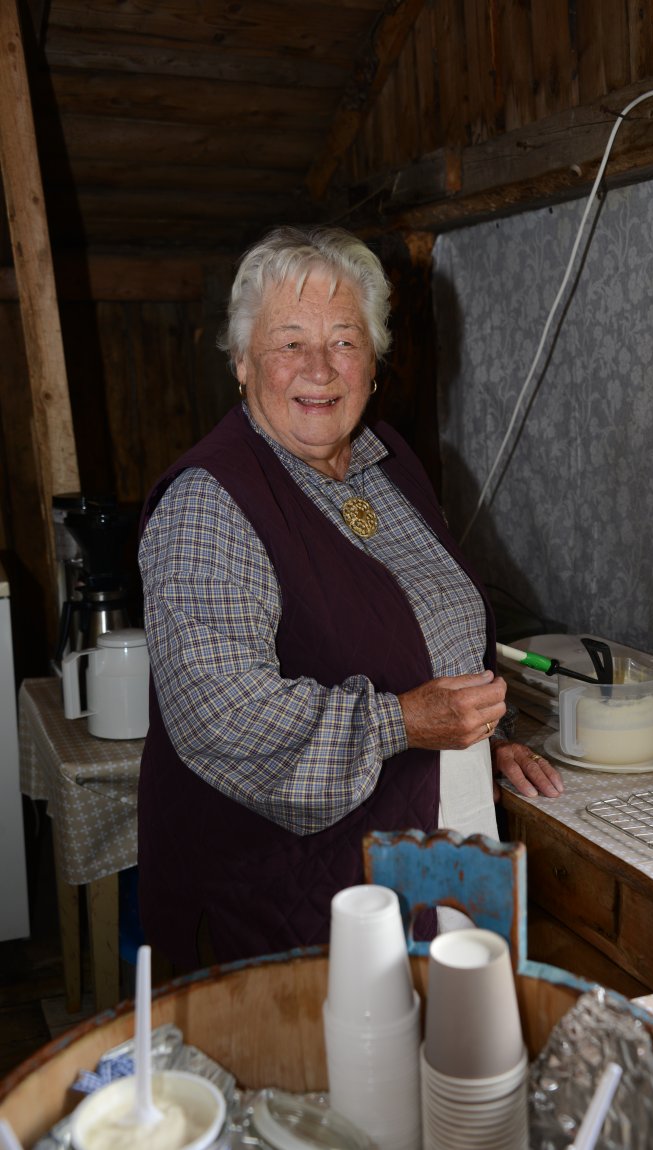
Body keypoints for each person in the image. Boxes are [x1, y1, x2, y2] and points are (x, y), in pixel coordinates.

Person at [137, 225, 563, 971]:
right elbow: (221, 713)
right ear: (242, 362)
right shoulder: (210, 501)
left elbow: (422, 641)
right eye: (289, 342)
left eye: (344, 341)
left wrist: (477, 742)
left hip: (440, 839)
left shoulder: (389, 462)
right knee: (339, 1077)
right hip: (294, 894)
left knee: (451, 1061)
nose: (319, 369)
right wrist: (406, 721)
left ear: (373, 360)